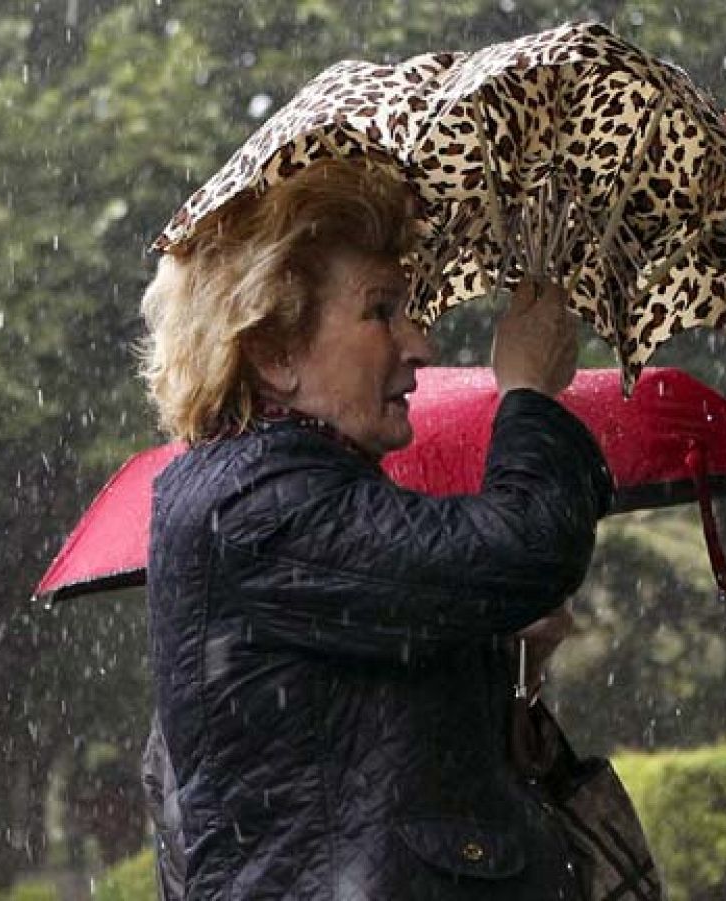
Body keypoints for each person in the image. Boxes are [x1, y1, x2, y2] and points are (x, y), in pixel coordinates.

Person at [139, 158, 612, 900]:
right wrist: (529, 394)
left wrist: (511, 666)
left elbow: (399, 766)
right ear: (274, 351)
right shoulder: (258, 501)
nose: (420, 345)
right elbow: (528, 546)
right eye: (381, 311)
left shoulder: (305, 491)